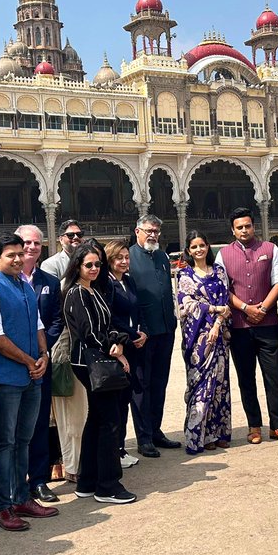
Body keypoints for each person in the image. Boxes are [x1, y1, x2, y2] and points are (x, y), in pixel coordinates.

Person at [0, 234, 57, 529]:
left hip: (32, 374)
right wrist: (28, 360)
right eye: (10, 255)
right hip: (7, 378)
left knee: (24, 439)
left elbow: (38, 324)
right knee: (5, 442)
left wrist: (43, 355)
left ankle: (21, 497)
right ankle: (3, 507)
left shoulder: (24, 285)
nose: (17, 259)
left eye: (19, 254)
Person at [62, 244, 138, 504]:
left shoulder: (92, 290)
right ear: (77, 266)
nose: (94, 269)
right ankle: (108, 486)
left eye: (97, 264)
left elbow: (105, 325)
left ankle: (88, 481)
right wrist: (115, 349)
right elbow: (90, 333)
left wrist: (118, 339)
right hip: (90, 361)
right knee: (109, 421)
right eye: (89, 265)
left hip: (95, 358)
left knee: (96, 419)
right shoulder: (77, 293)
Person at [216, 207, 278, 444]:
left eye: (248, 226)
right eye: (239, 227)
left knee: (274, 375)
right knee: (246, 377)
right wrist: (245, 308)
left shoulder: (270, 249)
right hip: (240, 326)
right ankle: (254, 425)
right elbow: (223, 289)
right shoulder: (223, 255)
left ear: (254, 226)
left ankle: (277, 424)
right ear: (233, 230)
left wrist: (262, 309)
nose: (244, 230)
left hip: (268, 324)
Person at [15, 225, 66, 501]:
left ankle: (38, 480)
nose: (31, 247)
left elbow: (56, 320)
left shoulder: (49, 281)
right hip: (12, 363)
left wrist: (43, 352)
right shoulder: (0, 279)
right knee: (12, 426)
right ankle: (15, 483)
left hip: (41, 362)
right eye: (26, 242)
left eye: (36, 243)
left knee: (39, 423)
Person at [126, 214, 182, 457]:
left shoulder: (161, 256)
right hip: (143, 333)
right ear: (137, 231)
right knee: (142, 386)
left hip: (165, 329)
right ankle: (144, 437)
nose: (153, 235)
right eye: (148, 230)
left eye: (156, 231)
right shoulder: (128, 257)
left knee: (160, 383)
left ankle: (156, 430)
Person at [175, 230, 233, 453]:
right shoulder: (184, 275)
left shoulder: (219, 272)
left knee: (220, 384)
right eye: (194, 247)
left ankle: (219, 431)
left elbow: (226, 301)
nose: (199, 249)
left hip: (218, 337)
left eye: (202, 245)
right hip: (197, 340)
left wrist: (217, 323)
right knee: (200, 386)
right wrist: (214, 308)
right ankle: (201, 434)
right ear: (188, 251)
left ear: (208, 247)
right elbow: (187, 305)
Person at [105, 239, 147, 463]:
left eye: (126, 257)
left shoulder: (128, 281)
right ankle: (115, 450)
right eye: (118, 258)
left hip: (134, 344)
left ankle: (121, 448)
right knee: (118, 401)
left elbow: (137, 311)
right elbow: (111, 317)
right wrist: (132, 335)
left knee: (129, 398)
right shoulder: (107, 284)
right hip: (119, 346)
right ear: (110, 259)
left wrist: (143, 333)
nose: (123, 261)